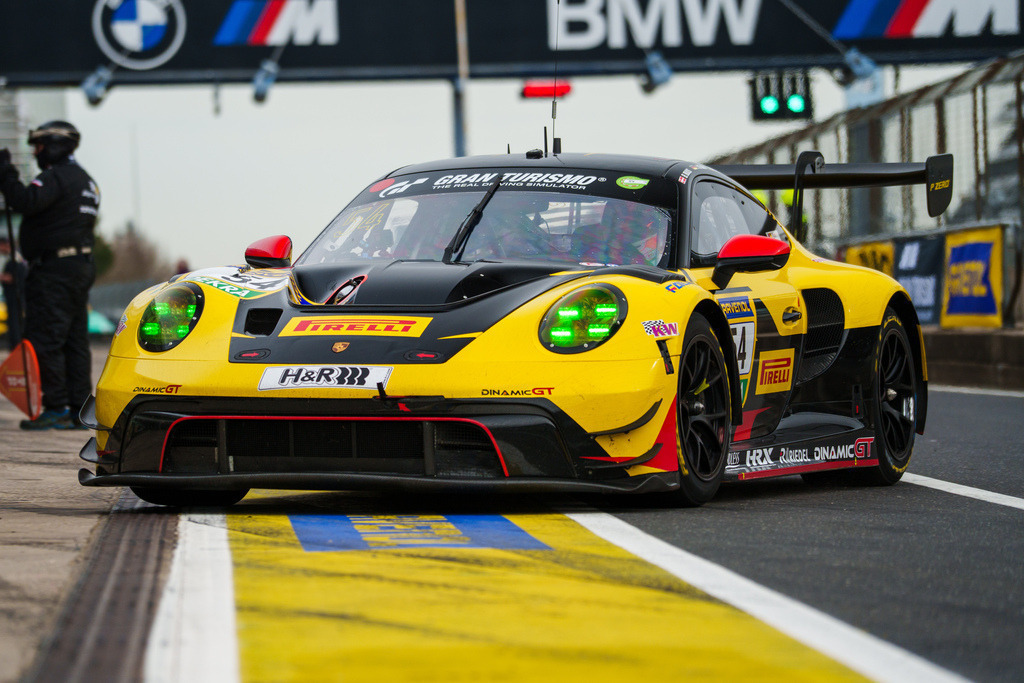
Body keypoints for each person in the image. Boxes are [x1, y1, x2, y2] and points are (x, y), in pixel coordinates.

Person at [0, 121, 100, 429]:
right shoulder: (87, 181)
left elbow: (25, 201)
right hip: (79, 267)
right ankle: (80, 409)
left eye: (39, 147)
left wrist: (6, 173)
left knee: (47, 339)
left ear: (54, 147)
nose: (36, 153)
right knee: (74, 341)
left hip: (54, 271)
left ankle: (56, 407)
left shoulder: (57, 177)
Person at [0, 236, 27, 350]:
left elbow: (12, 278)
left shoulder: (15, 260)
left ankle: (16, 347)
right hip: (13, 297)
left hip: (16, 297)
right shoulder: (12, 258)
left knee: (15, 323)